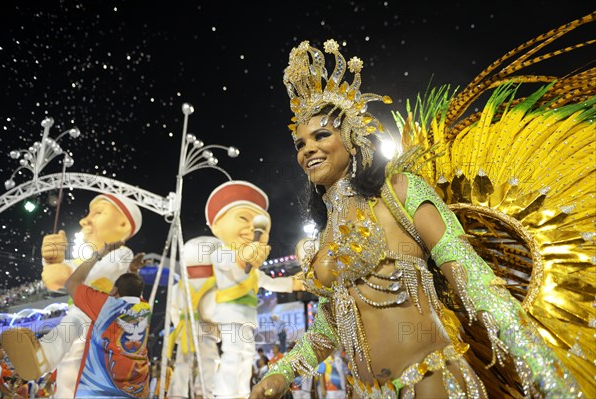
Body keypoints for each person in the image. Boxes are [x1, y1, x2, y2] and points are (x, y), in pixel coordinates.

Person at [251, 31, 593, 398]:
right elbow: (329, 327)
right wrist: (282, 374)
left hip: (430, 382)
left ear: (351, 138)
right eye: (300, 143)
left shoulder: (397, 192)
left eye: (321, 136)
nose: (308, 150)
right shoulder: (324, 238)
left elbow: (467, 273)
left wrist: (540, 365)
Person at [1, 193, 143, 398]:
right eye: (88, 213)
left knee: (75, 324)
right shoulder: (89, 256)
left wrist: (65, 271)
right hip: (84, 326)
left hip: (100, 321)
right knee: (68, 376)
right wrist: (51, 261)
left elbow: (89, 276)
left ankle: (43, 357)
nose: (85, 220)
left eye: (99, 213)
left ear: (122, 225)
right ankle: (43, 359)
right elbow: (55, 279)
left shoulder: (121, 253)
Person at [205, 180, 304, 398]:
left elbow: (270, 281)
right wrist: (245, 256)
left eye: (261, 229)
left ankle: (240, 393)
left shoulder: (254, 271)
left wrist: (294, 283)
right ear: (217, 226)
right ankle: (224, 394)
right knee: (232, 354)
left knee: (246, 354)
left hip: (248, 317)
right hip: (229, 314)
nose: (252, 229)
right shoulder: (222, 253)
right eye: (242, 218)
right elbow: (232, 267)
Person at [64, 240, 151, 398]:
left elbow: (72, 282)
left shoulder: (106, 306)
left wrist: (99, 254)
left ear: (114, 290)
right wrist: (133, 271)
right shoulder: (145, 309)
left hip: (103, 389)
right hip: (136, 389)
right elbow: (133, 292)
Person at [168, 236, 222, 399]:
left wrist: (179, 327)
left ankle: (177, 393)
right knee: (208, 361)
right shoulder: (218, 285)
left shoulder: (179, 286)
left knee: (182, 363)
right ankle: (204, 392)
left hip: (185, 330)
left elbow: (173, 310)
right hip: (207, 329)